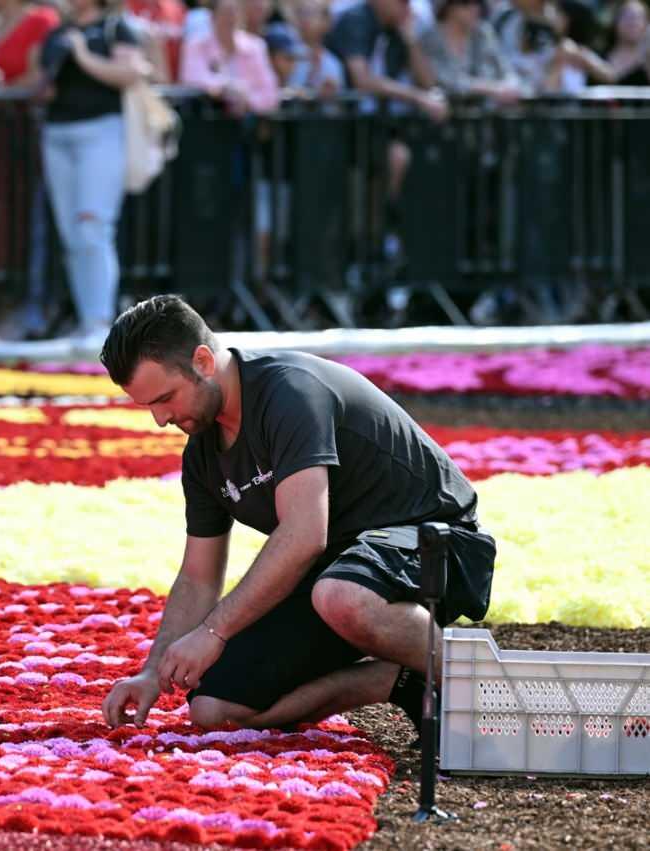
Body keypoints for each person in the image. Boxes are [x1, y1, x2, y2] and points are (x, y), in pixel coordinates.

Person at [99, 294, 497, 736]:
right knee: (213, 710)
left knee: (342, 595)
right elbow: (198, 576)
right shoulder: (202, 455)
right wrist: (153, 672)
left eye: (165, 398)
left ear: (203, 361)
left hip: (438, 542)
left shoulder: (289, 392)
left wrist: (213, 632)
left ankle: (485, 689)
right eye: (147, 406)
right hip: (341, 570)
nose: (159, 419)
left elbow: (307, 534)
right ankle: (397, 680)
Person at [38, 0, 150, 341]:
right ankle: (88, 320)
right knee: (72, 237)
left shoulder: (117, 27)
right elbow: (44, 86)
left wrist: (83, 55)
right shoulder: (57, 31)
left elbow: (129, 74)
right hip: (57, 135)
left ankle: (100, 323)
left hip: (101, 133)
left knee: (93, 228)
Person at [179, 0, 281, 115]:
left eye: (234, 12)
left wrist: (248, 100)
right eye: (225, 13)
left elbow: (270, 93)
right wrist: (225, 88)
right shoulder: (196, 46)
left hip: (249, 123)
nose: (230, 19)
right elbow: (192, 77)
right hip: (207, 121)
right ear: (212, 17)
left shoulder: (255, 46)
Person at [415, 0, 523, 102]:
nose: (474, 8)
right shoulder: (431, 38)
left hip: (485, 110)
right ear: (450, 7)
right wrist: (492, 89)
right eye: (466, 3)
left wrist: (511, 86)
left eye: (478, 2)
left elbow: (505, 69)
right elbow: (445, 81)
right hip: (445, 110)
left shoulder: (482, 33)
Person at [605, 0, 649, 86]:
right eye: (627, 17)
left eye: (638, 18)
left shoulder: (647, 60)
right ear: (616, 21)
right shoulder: (600, 54)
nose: (633, 23)